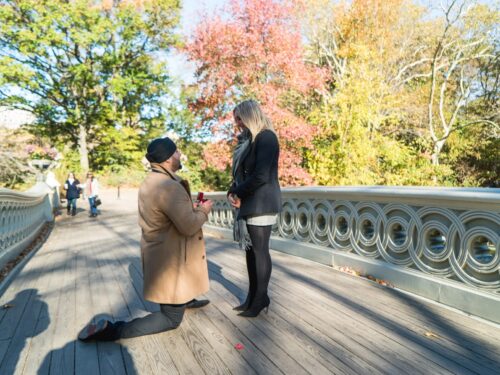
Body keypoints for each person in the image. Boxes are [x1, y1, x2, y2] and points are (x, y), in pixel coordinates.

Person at [78, 137, 213, 341]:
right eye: (176, 152)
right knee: (171, 319)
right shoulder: (169, 186)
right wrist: (203, 211)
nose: (179, 155)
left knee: (176, 296)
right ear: (167, 159)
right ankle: (111, 330)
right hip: (170, 259)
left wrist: (189, 209)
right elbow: (189, 226)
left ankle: (185, 299)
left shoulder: (152, 180)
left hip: (159, 252)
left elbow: (168, 215)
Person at [228, 100, 281, 318]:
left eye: (239, 118)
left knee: (260, 251)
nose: (237, 124)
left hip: (263, 202)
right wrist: (233, 190)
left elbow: (260, 176)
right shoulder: (252, 139)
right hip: (252, 201)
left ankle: (260, 299)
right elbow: (245, 173)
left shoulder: (266, 137)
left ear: (250, 115)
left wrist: (239, 191)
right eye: (236, 119)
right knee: (251, 251)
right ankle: (252, 297)